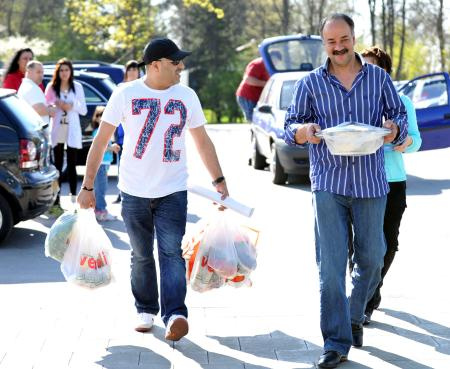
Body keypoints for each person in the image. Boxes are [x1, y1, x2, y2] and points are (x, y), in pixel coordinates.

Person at [77, 37, 228, 341]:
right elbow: (101, 139)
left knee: (171, 252)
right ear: (156, 65)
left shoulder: (186, 95)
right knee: (141, 254)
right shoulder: (125, 93)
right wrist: (88, 186)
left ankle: (175, 314)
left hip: (173, 190)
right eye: (176, 63)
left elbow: (202, 141)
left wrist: (219, 182)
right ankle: (145, 308)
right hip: (133, 191)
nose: (181, 67)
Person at [284, 14, 407, 368]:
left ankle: (353, 317)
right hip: (328, 182)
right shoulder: (309, 84)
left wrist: (391, 128)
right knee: (331, 267)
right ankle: (335, 342)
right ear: (324, 44)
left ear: (354, 37)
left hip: (371, 182)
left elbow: (398, 119)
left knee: (372, 259)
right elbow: (289, 125)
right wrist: (302, 131)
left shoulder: (379, 79)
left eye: (344, 40)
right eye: (331, 42)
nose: (338, 47)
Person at [348, 46, 422, 324]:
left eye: (375, 68)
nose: (368, 73)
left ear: (386, 73)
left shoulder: (402, 102)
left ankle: (371, 293)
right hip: (361, 182)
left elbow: (416, 140)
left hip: (393, 182)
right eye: (363, 67)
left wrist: (404, 143)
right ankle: (362, 301)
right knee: (362, 246)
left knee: (387, 245)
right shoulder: (355, 101)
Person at [45, 58, 87, 209]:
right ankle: (55, 200)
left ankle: (73, 197)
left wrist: (71, 105)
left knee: (71, 164)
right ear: (58, 72)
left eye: (66, 70)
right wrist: (55, 105)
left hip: (72, 129)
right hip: (57, 129)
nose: (64, 73)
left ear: (71, 71)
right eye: (61, 70)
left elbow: (84, 109)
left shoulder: (77, 87)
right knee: (56, 165)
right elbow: (46, 105)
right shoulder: (52, 87)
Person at [113, 60, 140, 204]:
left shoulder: (143, 88)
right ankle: (121, 192)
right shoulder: (120, 88)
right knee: (121, 166)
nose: (132, 72)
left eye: (135, 70)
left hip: (137, 136)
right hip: (122, 135)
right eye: (129, 70)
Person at [91, 106, 120, 221]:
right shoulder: (97, 132)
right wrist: (111, 148)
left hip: (104, 164)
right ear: (97, 118)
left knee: (101, 188)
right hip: (101, 164)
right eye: (101, 115)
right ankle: (101, 211)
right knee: (101, 189)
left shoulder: (105, 131)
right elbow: (99, 147)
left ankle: (99, 209)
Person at [17, 60, 56, 127]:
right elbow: (38, 109)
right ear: (28, 72)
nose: (41, 75)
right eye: (38, 72)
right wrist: (53, 110)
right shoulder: (31, 87)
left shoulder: (29, 86)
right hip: (36, 131)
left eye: (42, 72)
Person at [235, 56, 270, 122]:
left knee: (260, 120)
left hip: (258, 98)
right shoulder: (258, 64)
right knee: (254, 120)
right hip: (248, 97)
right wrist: (267, 84)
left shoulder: (269, 66)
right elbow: (248, 79)